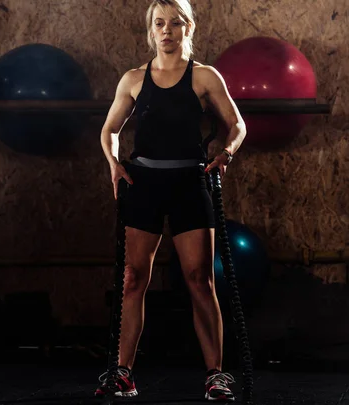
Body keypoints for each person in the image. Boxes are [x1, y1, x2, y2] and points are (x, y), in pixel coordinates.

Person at [95, 0, 246, 402]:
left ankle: (216, 375)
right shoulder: (132, 79)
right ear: (151, 30)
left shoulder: (204, 77)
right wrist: (113, 162)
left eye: (174, 23)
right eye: (159, 24)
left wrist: (227, 153)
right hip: (144, 181)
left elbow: (237, 124)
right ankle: (123, 373)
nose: (166, 31)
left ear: (188, 28)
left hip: (188, 182)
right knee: (132, 279)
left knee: (200, 279)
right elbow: (110, 130)